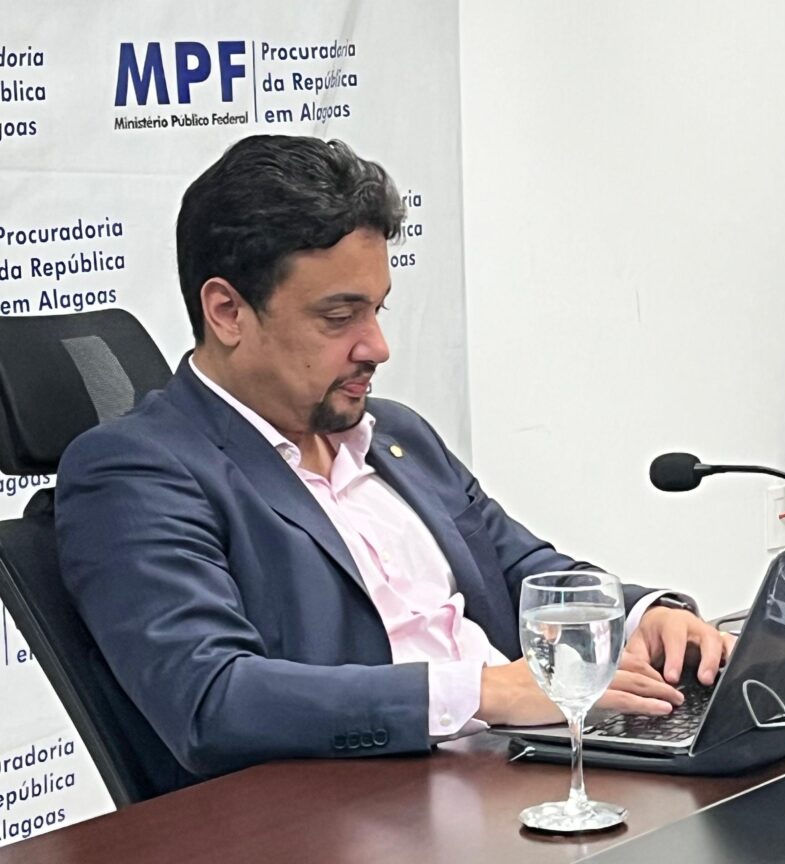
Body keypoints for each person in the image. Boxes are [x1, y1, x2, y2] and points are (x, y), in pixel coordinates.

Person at [54, 135, 731, 788]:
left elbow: (521, 569)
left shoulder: (395, 433)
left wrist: (642, 617)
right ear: (228, 311)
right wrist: (486, 693)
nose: (376, 346)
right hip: (366, 810)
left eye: (377, 309)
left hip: (513, 771)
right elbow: (212, 697)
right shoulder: (135, 471)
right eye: (339, 317)